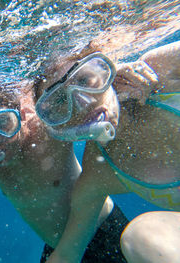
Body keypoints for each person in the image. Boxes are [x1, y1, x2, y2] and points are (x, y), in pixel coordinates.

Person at [34, 41, 180, 262]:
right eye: (61, 100)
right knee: (141, 236)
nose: (83, 102)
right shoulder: (100, 171)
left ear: (106, 67)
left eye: (85, 80)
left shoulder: (160, 69)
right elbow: (67, 254)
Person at [0, 73, 130, 263]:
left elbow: (91, 85)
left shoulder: (47, 126)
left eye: (4, 123)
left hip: (103, 233)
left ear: (23, 115)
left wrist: (119, 82)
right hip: (56, 248)